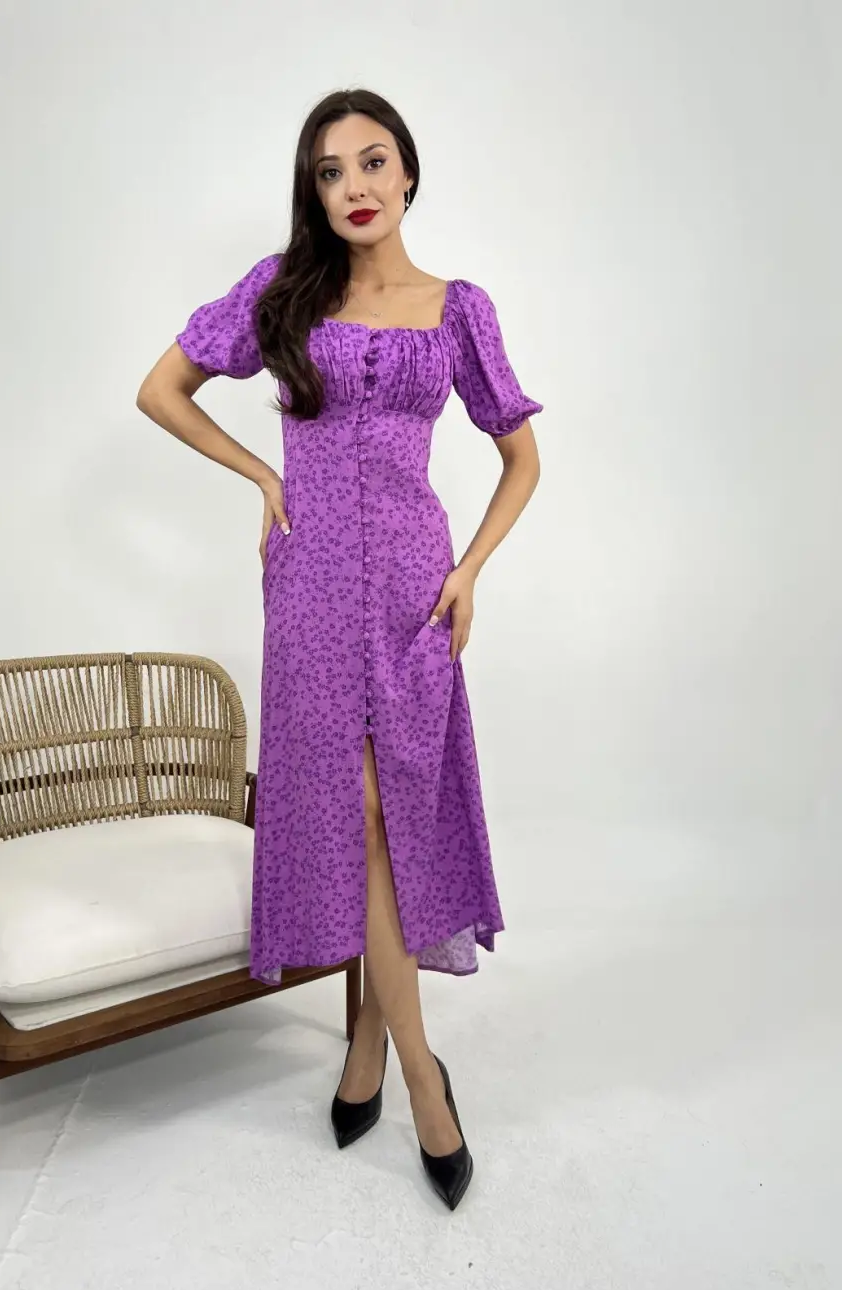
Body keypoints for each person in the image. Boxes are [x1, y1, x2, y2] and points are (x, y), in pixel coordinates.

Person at [136, 88, 542, 1211]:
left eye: (371, 162)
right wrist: (262, 474)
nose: (353, 186)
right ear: (312, 193)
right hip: (309, 582)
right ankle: (422, 1073)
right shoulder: (283, 291)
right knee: (353, 810)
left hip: (414, 583)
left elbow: (521, 460)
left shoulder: (458, 308)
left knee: (396, 805)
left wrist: (470, 570)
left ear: (408, 173)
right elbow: (161, 391)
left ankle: (371, 1043)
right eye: (329, 171)